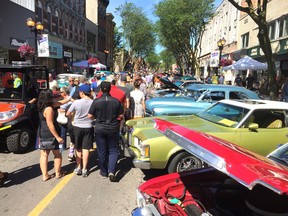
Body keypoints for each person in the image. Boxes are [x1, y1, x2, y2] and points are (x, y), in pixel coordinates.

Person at [88, 81, 124, 182]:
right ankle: (111, 170)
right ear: (110, 89)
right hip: (113, 128)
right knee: (113, 150)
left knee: (101, 150)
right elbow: (121, 115)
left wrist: (97, 117)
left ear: (100, 89)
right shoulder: (116, 101)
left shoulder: (96, 101)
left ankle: (104, 171)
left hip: (100, 127)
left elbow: (90, 115)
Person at [37, 89, 67, 181]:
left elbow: (60, 103)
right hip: (50, 134)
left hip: (42, 133)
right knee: (57, 154)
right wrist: (57, 137)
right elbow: (50, 124)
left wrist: (68, 98)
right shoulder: (49, 109)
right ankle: (58, 173)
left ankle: (45, 175)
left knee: (44, 154)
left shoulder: (41, 106)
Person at [66, 84, 93, 178]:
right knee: (86, 149)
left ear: (81, 92)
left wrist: (73, 118)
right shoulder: (93, 102)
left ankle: (79, 167)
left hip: (77, 126)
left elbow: (68, 113)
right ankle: (85, 169)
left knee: (78, 148)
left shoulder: (76, 103)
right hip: (89, 126)